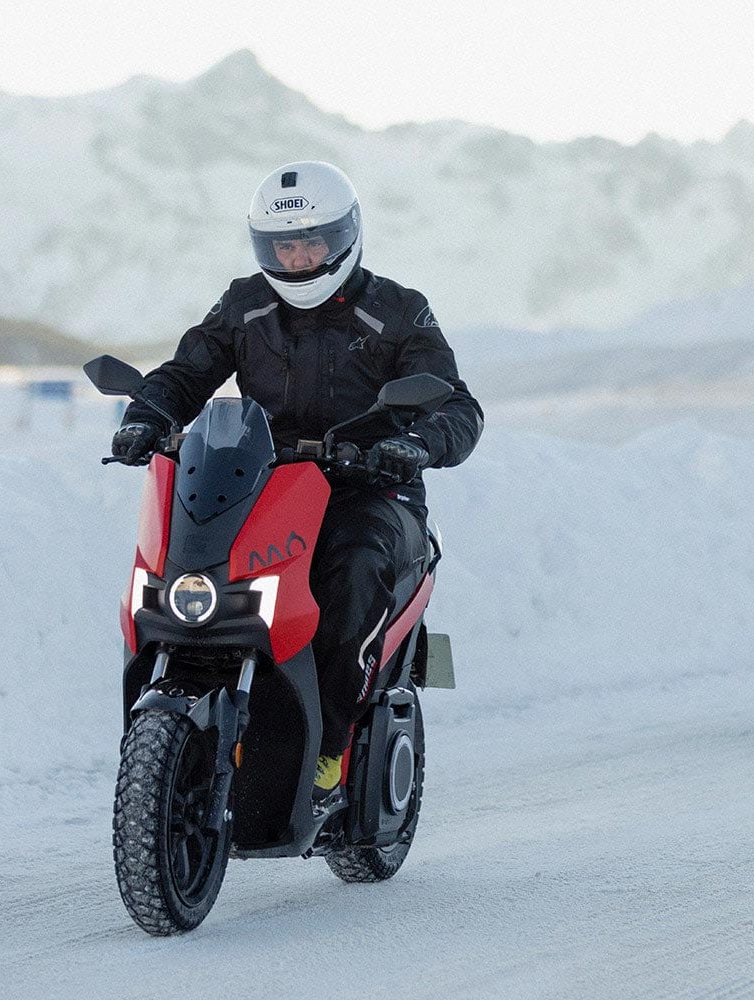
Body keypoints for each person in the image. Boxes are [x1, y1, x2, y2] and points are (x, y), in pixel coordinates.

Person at [112, 161, 483, 801]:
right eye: (285, 244)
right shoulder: (245, 304)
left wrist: (412, 444)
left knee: (349, 580)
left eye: (313, 241)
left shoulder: (398, 310)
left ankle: (330, 752)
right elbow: (184, 373)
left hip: (369, 489)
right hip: (268, 485)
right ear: (265, 247)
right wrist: (148, 414)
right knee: (185, 580)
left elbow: (458, 407)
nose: (300, 256)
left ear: (345, 237)